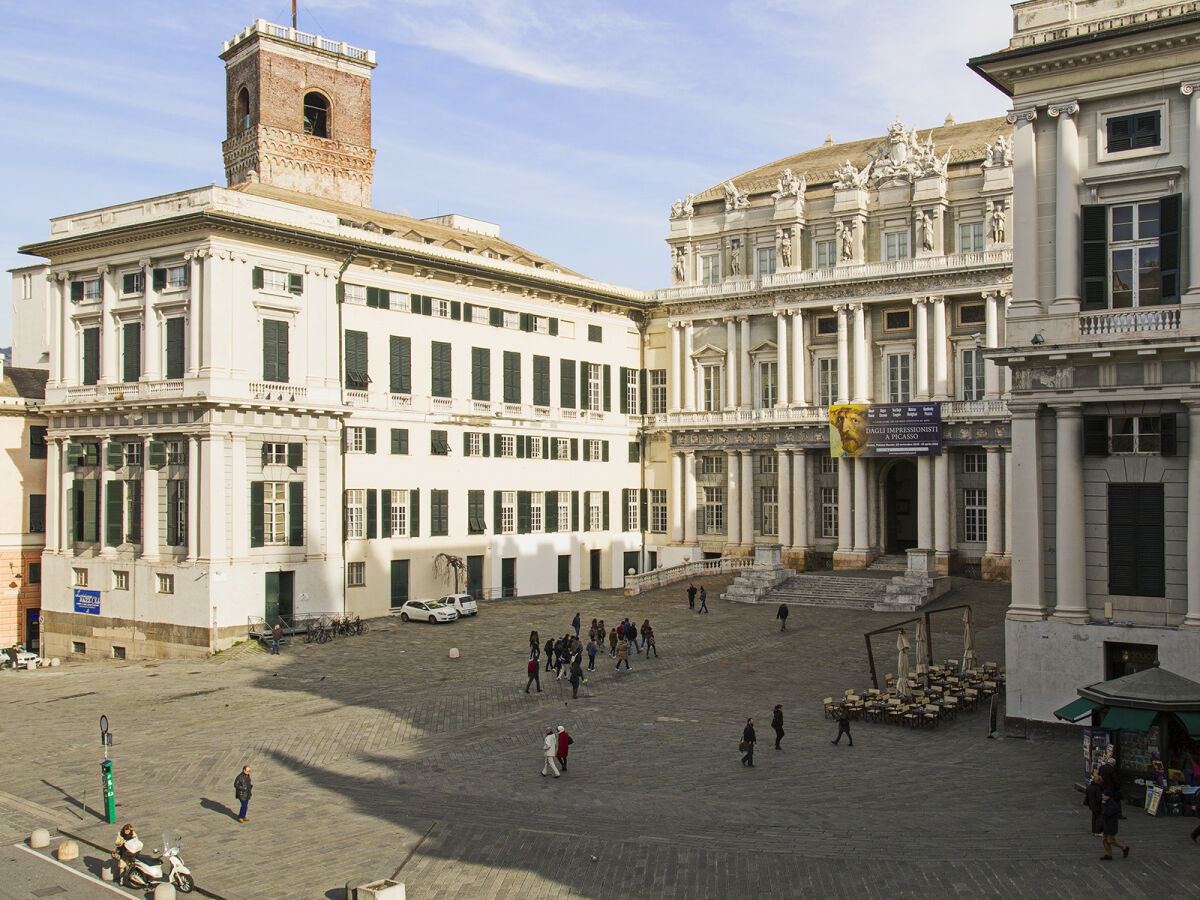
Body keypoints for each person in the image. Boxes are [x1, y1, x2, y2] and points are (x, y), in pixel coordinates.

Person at [1099, 791, 1129, 860]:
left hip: (1111, 825)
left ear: (1108, 796)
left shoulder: (1112, 804)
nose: (1102, 797)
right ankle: (1109, 854)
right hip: (1106, 824)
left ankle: (1124, 848)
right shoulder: (1106, 803)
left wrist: (1103, 805)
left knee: (1110, 840)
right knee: (1104, 840)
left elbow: (1108, 813)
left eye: (1104, 795)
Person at [1085, 772, 1105, 837]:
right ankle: (1098, 831)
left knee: (1094, 818)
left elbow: (1087, 796)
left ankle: (1094, 830)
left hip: (1092, 805)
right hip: (1097, 805)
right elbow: (1098, 798)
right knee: (1099, 818)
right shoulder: (1097, 788)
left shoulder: (1089, 787)